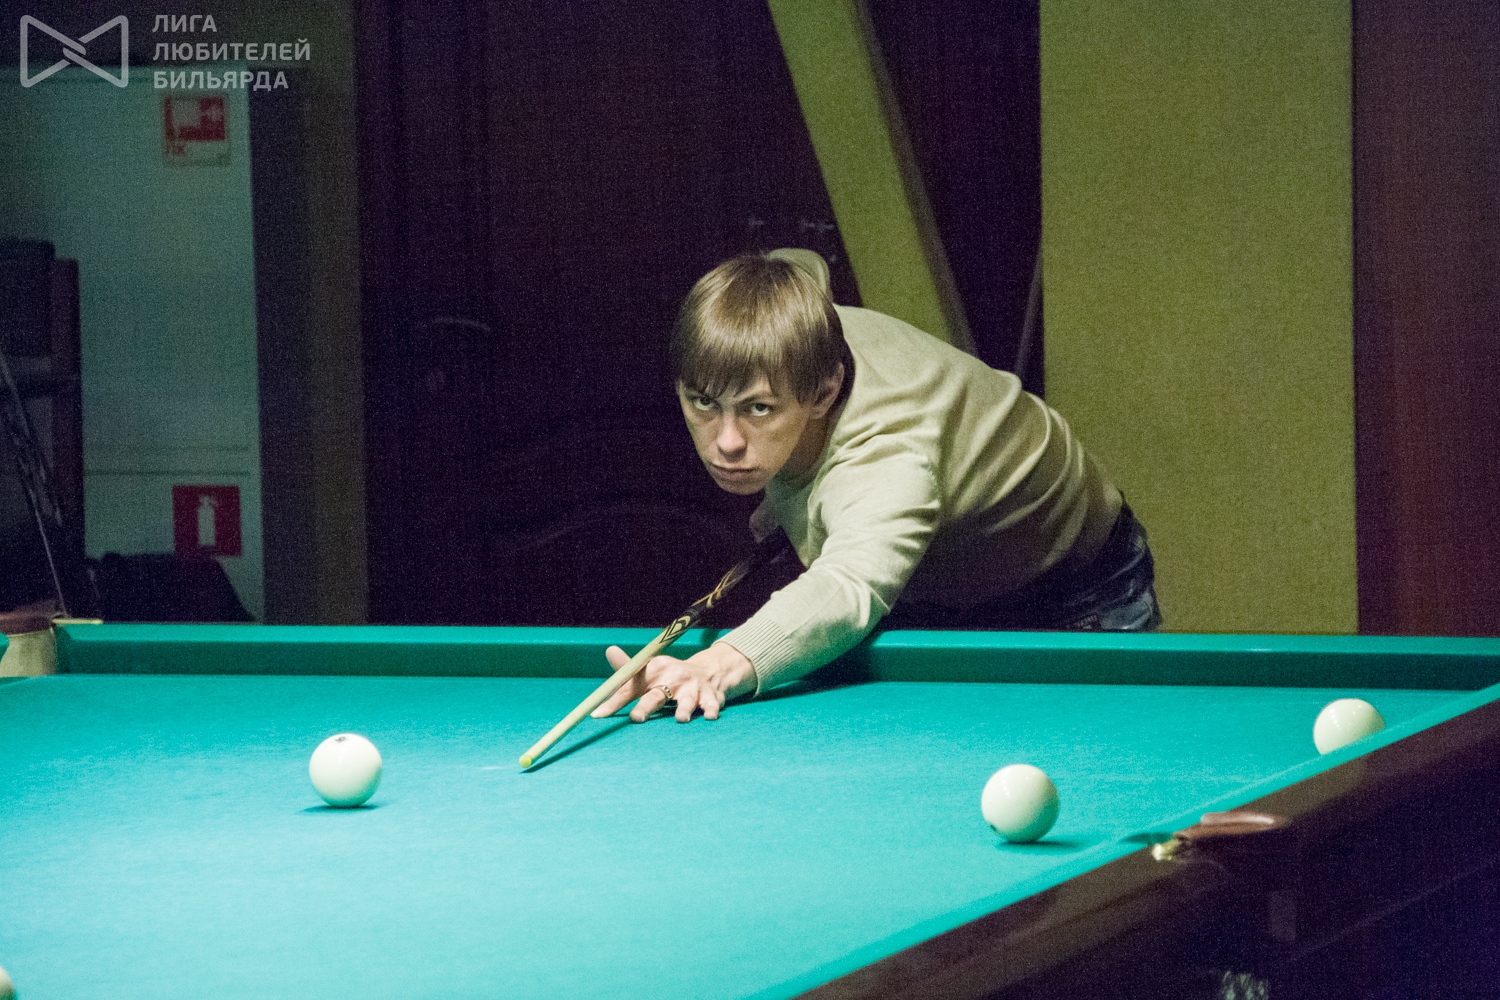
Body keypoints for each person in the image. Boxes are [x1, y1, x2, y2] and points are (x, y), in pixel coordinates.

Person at [593, 251, 1159, 724]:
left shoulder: (889, 454)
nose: (727, 442)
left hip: (1074, 592)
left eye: (758, 408)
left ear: (823, 392)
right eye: (703, 402)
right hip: (938, 582)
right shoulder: (790, 319)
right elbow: (800, 263)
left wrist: (718, 663)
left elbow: (847, 584)